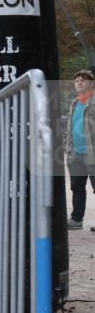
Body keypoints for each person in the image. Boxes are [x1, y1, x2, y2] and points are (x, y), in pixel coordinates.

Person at [67, 69, 95, 229]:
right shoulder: (74, 103)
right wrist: (68, 150)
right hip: (76, 153)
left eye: (82, 79)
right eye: (76, 80)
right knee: (77, 187)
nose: (79, 82)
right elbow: (70, 128)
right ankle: (76, 220)